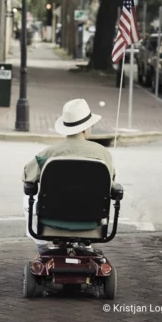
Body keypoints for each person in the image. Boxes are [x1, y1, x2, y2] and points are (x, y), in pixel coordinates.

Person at [22, 98, 115, 255]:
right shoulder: (103, 153)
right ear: (84, 129)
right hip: (90, 219)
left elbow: (27, 176)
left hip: (53, 216)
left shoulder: (49, 152)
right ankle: (85, 245)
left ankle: (41, 245)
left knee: (28, 193)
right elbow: (111, 186)